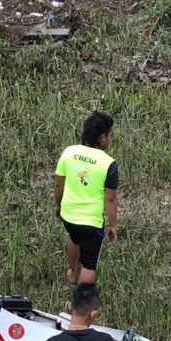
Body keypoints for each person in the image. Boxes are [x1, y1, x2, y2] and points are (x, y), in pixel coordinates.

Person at [54, 111, 119, 288]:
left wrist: (58, 207)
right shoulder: (109, 163)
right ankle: (79, 300)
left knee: (74, 238)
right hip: (91, 223)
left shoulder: (69, 152)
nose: (111, 139)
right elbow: (110, 200)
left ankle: (73, 274)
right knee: (90, 264)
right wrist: (112, 225)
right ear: (103, 137)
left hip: (69, 216)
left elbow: (59, 185)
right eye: (111, 135)